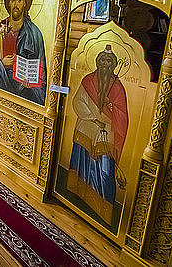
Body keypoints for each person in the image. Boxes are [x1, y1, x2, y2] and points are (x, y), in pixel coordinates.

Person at [67, 45, 128, 224]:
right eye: (102, 60)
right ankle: (79, 191)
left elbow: (122, 114)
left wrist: (110, 107)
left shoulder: (117, 87)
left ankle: (103, 206)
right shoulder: (88, 80)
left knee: (104, 168)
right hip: (86, 127)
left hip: (105, 133)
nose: (105, 64)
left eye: (109, 61)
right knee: (82, 161)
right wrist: (94, 118)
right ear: (97, 62)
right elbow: (78, 101)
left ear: (114, 65)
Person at [0, 0, 47, 105]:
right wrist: (1, 63)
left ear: (25, 3)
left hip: (24, 93)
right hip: (1, 90)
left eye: (20, 0)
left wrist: (32, 83)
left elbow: (41, 69)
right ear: (8, 3)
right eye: (12, 0)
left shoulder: (34, 33)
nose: (15, 4)